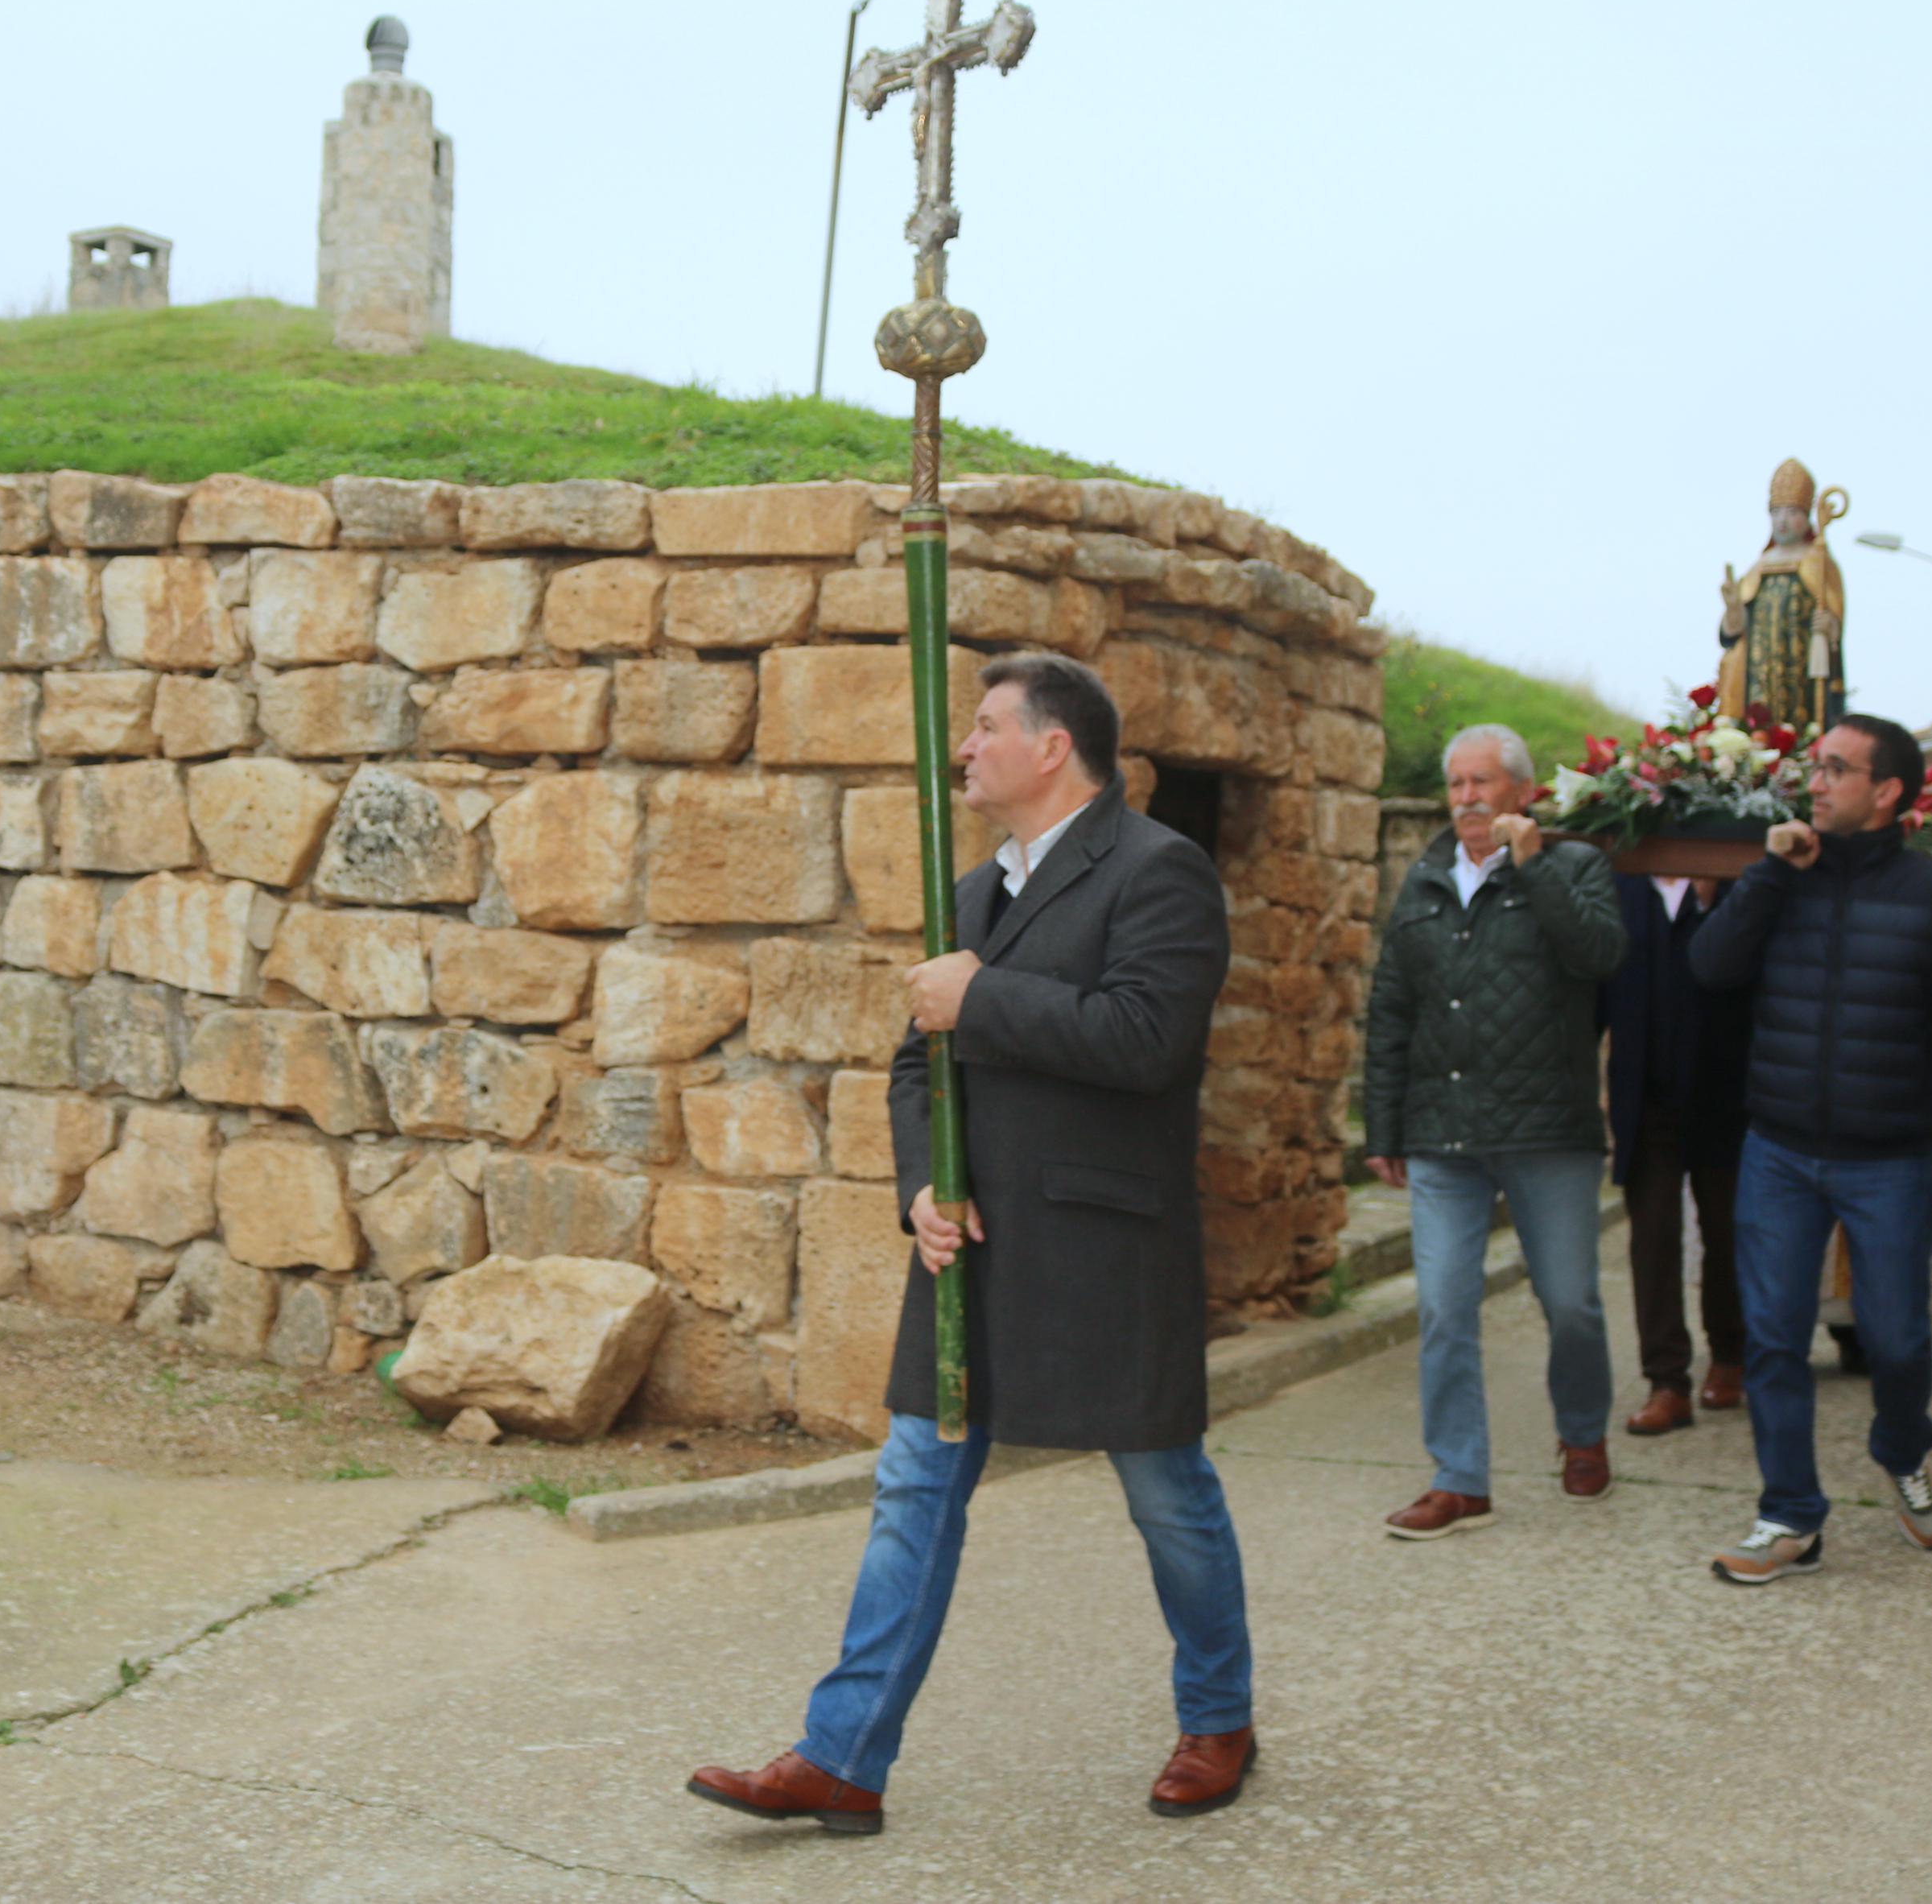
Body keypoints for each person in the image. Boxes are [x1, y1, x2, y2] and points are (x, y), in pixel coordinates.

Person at [688, 653, 1252, 1834]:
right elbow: (915, 1063)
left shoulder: (1161, 869)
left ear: (1054, 747)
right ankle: (841, 1756)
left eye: (988, 725)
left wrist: (977, 997)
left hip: (1102, 1253)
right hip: (969, 1250)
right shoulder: (971, 892)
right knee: (911, 1489)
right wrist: (921, 1182)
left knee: (1166, 1496)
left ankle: (1217, 1714)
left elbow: (1148, 1037)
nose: (967, 746)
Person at [1687, 714, 1932, 1584]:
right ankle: (1788, 1514)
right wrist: (1765, 873)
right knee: (1771, 1337)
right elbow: (1710, 968)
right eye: (1814, 767)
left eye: (1836, 769)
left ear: (1887, 793)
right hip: (1779, 1150)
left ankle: (1900, 1449)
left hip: (1893, 1157)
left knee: (1901, 1340)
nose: (1816, 782)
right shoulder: (1780, 878)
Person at [1360, 723, 1624, 1538]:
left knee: (1570, 1301)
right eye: (1457, 785)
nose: (1468, 799)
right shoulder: (1426, 878)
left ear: (1520, 792)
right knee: (1442, 1306)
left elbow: (1598, 955)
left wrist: (1532, 863)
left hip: (1547, 1129)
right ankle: (1458, 1477)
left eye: (1482, 783)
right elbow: (1392, 1007)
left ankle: (1581, 1431)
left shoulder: (1573, 866)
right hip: (1442, 1130)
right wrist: (1383, 1124)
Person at [1605, 869, 1753, 1434]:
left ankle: (1729, 1354)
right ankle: (1667, 1380)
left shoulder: (1735, 886)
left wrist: (1716, 899)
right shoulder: (1623, 885)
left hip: (1725, 1093)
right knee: (1653, 1238)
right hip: (1646, 1094)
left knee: (1728, 1231)